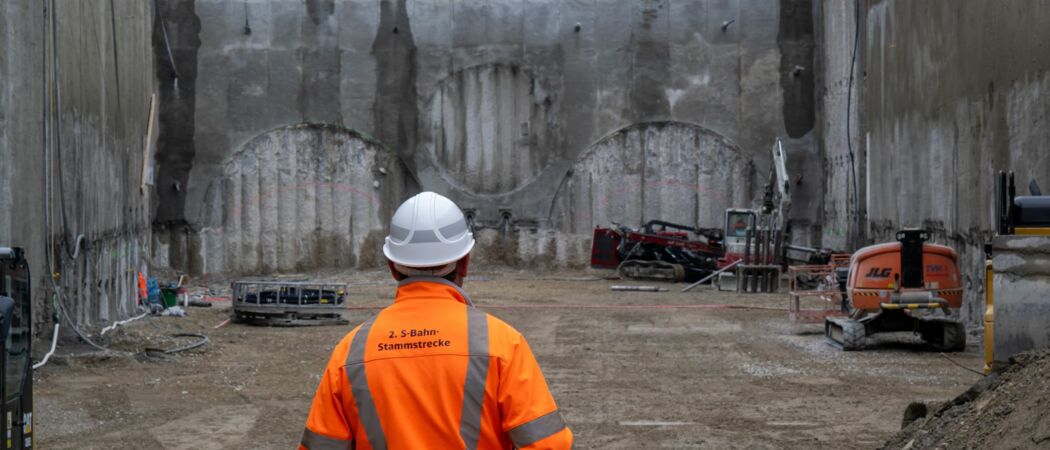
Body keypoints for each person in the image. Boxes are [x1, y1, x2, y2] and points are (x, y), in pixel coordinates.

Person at [300, 192, 573, 450]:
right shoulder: (501, 344)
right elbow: (548, 444)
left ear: (392, 267)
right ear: (464, 262)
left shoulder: (351, 351)